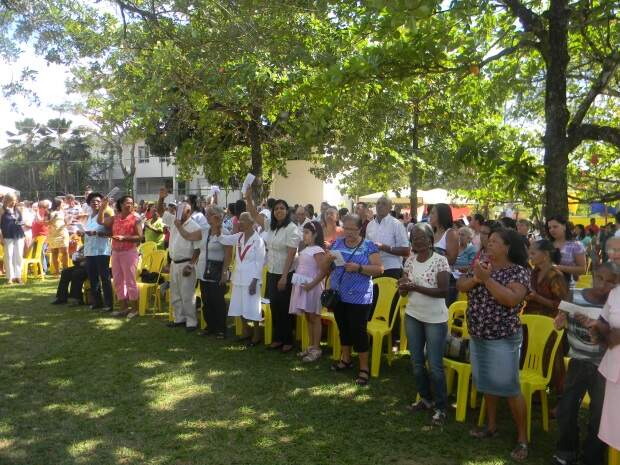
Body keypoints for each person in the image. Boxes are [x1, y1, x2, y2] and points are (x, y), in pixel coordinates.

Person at [457, 228, 530, 461]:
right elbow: (461, 285)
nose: (489, 244)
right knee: (488, 383)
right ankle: (491, 426)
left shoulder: (518, 272)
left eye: (495, 241)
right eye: (489, 241)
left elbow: (511, 299)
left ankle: (522, 439)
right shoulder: (483, 264)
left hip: (503, 338)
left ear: (508, 247)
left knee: (509, 387)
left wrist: (486, 280)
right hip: (479, 335)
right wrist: (476, 278)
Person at [550, 259, 619, 465]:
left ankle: (592, 455)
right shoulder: (575, 296)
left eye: (610, 282)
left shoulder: (613, 304)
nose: (603, 285)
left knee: (599, 414)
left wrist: (596, 327)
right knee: (566, 409)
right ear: (593, 275)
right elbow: (561, 320)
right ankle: (567, 450)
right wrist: (560, 322)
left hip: (603, 366)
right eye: (599, 278)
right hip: (578, 361)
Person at [398, 222, 450, 426]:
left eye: (421, 238)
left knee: (435, 366)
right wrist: (403, 287)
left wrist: (416, 287)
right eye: (414, 238)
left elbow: (444, 291)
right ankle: (426, 399)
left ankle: (441, 407)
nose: (417, 241)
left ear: (430, 240)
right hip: (413, 315)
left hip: (435, 319)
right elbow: (405, 291)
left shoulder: (440, 261)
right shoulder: (410, 261)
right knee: (417, 363)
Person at [323, 214, 384, 386]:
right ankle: (346, 359)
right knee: (343, 328)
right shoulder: (336, 244)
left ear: (360, 229)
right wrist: (327, 260)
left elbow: (379, 269)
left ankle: (364, 368)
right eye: (346, 228)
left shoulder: (368, 246)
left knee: (358, 331)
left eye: (353, 229)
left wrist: (359, 268)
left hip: (360, 296)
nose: (349, 232)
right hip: (338, 295)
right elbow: (324, 268)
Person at [246, 189, 300, 352]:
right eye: (276, 208)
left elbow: (291, 253)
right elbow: (254, 214)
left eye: (282, 208)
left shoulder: (292, 228)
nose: (279, 211)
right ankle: (278, 338)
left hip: (286, 273)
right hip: (272, 271)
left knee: (284, 307)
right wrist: (248, 197)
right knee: (274, 305)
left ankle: (288, 340)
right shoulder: (271, 226)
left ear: (287, 211)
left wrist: (284, 277)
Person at [217, 212, 266, 345]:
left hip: (251, 280)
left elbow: (260, 262)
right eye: (239, 220)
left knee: (253, 308)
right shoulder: (239, 236)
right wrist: (218, 228)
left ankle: (257, 334)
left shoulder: (258, 240)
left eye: (243, 221)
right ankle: (246, 331)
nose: (239, 223)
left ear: (251, 223)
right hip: (238, 278)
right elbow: (224, 240)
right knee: (239, 306)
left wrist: (255, 281)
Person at [158, 189, 203, 331]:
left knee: (187, 294)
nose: (177, 212)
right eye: (177, 210)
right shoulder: (174, 221)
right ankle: (179, 318)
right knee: (175, 293)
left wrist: (191, 265)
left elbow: (197, 249)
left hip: (186, 263)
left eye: (180, 210)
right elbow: (160, 212)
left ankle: (191, 322)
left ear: (188, 212)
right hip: (174, 263)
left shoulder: (195, 226)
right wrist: (161, 198)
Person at [98, 195, 143, 319]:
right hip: (116, 252)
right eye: (127, 203)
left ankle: (134, 309)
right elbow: (100, 221)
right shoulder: (115, 218)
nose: (130, 205)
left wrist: (125, 238)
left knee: (130, 281)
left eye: (131, 203)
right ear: (121, 204)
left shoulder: (136, 218)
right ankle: (123, 308)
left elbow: (140, 237)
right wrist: (102, 207)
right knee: (118, 281)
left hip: (129, 252)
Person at [595, 237, 620, 455]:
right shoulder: (615, 292)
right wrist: (596, 329)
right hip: (615, 372)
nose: (615, 255)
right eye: (611, 250)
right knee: (616, 433)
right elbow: (603, 324)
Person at [290, 221, 326, 362]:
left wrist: (311, 284)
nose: (304, 235)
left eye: (307, 233)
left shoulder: (317, 250)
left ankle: (316, 348)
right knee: (308, 317)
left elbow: (323, 271)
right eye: (303, 232)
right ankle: (311, 346)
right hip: (304, 287)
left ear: (315, 234)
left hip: (313, 288)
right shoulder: (305, 249)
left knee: (315, 317)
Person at [197, 205, 232, 338]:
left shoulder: (224, 232)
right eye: (206, 214)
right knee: (206, 300)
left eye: (210, 214)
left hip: (217, 270)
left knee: (217, 300)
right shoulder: (205, 231)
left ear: (217, 216)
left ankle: (221, 329)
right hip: (203, 270)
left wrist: (225, 272)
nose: (207, 216)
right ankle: (210, 326)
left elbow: (228, 254)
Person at [365, 196, 410, 279]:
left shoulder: (396, 224)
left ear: (390, 208)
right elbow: (366, 247)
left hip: (392, 269)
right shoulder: (370, 225)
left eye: (384, 204)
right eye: (378, 203)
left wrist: (383, 247)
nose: (380, 206)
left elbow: (406, 251)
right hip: (374, 269)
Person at [82, 192, 113, 312]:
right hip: (89, 251)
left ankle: (108, 304)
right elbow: (87, 231)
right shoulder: (89, 217)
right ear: (89, 203)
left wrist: (98, 233)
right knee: (93, 278)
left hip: (102, 251)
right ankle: (97, 302)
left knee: (104, 278)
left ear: (102, 203)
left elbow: (111, 233)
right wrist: (82, 232)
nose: (95, 203)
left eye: (98, 201)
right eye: (92, 201)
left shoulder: (106, 215)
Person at [524, 239, 569, 317]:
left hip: (548, 319)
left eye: (533, 253)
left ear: (545, 254)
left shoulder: (555, 276)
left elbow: (562, 305)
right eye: (529, 254)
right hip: (530, 315)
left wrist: (537, 298)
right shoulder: (535, 272)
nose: (530, 257)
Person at [547, 216, 586, 285]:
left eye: (555, 227)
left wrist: (560, 268)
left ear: (564, 227)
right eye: (549, 228)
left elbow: (582, 270)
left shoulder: (576, 245)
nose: (552, 230)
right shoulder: (547, 244)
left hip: (569, 285)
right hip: (548, 285)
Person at [0, 193, 25, 284]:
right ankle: (10, 277)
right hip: (7, 236)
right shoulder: (2, 210)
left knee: (18, 256)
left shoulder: (18, 209)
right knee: (8, 256)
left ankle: (18, 276)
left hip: (19, 235)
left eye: (15, 201)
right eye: (12, 201)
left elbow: (22, 222)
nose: (13, 203)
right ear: (7, 200)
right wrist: (1, 237)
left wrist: (20, 222)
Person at [48, 197, 70, 275]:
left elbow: (66, 222)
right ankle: (57, 271)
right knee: (55, 253)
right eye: (62, 203)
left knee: (65, 252)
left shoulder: (63, 212)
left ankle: (65, 271)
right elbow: (46, 223)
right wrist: (53, 217)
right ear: (58, 204)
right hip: (53, 234)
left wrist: (68, 220)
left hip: (63, 234)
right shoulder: (49, 212)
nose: (63, 204)